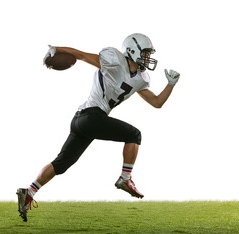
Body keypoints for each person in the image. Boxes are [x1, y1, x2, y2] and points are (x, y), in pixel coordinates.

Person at [16, 33, 180, 222]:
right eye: (145, 52)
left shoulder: (141, 78)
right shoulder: (114, 60)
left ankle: (28, 192)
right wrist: (58, 49)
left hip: (83, 121)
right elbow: (82, 55)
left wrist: (170, 85)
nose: (147, 57)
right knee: (134, 135)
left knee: (61, 163)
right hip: (91, 117)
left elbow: (157, 102)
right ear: (132, 50)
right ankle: (125, 179)